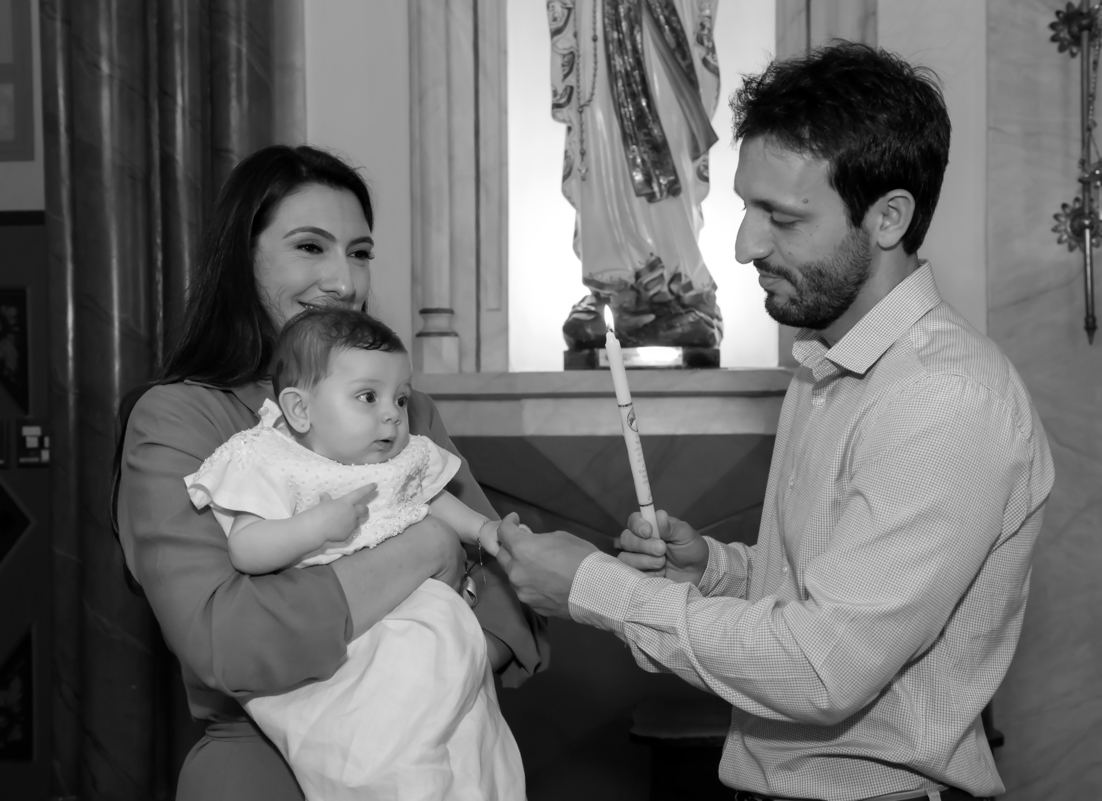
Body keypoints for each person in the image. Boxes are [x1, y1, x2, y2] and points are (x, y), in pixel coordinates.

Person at [494, 42, 1054, 801]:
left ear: (888, 217)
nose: (743, 246)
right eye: (745, 207)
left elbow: (823, 669)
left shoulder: (943, 398)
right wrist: (715, 571)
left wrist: (595, 589)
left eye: (782, 218)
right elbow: (832, 584)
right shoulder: (828, 363)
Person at [115, 145, 546, 801]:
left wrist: (416, 680)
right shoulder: (181, 418)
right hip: (262, 765)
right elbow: (227, 641)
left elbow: (515, 599)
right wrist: (427, 550)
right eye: (310, 247)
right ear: (241, 259)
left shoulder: (401, 411)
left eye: (360, 252)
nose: (345, 281)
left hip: (443, 737)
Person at [184, 307, 524, 800]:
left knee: (475, 750)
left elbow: (433, 498)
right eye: (368, 396)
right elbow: (246, 547)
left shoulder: (398, 455)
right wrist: (312, 527)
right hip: (343, 646)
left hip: (428, 629)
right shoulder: (273, 459)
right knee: (383, 754)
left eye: (401, 398)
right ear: (300, 410)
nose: (392, 413)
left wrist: (483, 528)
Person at [550, 0, 724, 351]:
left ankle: (678, 282)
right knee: (604, 144)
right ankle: (615, 282)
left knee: (668, 135)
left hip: (661, 21)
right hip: (597, 24)